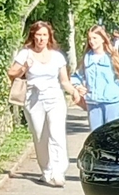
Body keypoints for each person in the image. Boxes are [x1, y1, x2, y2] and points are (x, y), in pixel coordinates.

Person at [7, 20, 79, 185]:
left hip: (54, 98)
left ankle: (58, 172)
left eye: (44, 35)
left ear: (49, 37)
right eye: (38, 35)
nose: (41, 38)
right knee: (40, 136)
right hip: (34, 99)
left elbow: (64, 81)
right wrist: (24, 68)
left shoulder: (57, 57)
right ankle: (46, 170)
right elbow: (11, 73)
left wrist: (74, 91)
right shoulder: (25, 54)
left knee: (56, 134)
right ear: (33, 36)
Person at [79, 25, 119, 133]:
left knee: (112, 135)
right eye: (89, 39)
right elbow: (77, 76)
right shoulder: (86, 58)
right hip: (93, 103)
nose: (92, 41)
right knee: (96, 135)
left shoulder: (112, 57)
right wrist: (78, 86)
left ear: (102, 39)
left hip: (111, 103)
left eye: (95, 38)